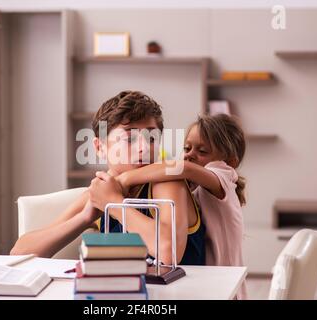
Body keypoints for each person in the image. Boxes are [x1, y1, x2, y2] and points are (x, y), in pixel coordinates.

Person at [11, 91, 205, 266]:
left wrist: (114, 203)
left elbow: (168, 253)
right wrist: (84, 217)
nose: (144, 148)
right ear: (99, 147)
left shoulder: (166, 181)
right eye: (130, 139)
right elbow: (19, 253)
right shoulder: (103, 190)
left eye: (151, 138)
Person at [116, 113, 247, 298]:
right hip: (211, 286)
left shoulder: (224, 175)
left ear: (230, 162)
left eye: (202, 151)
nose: (189, 155)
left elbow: (184, 168)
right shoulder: (199, 188)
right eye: (187, 148)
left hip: (227, 289)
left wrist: (124, 179)